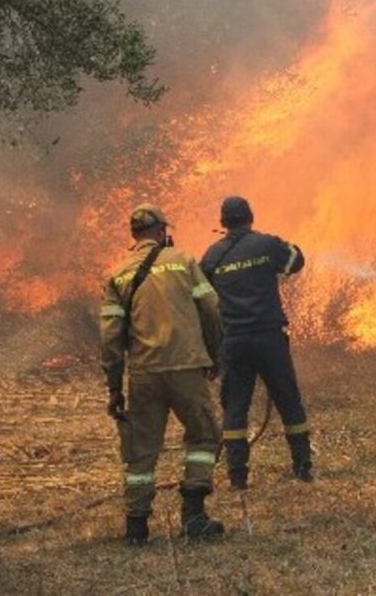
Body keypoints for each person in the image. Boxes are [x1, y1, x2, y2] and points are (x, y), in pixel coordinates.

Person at [99, 203, 225, 545]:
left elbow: (110, 338)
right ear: (160, 233)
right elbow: (211, 308)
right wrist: (215, 355)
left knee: (141, 451)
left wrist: (114, 387)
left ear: (134, 236)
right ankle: (194, 516)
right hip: (186, 366)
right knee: (203, 436)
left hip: (144, 373)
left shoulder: (118, 275)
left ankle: (136, 529)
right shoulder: (183, 261)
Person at [201, 195, 313, 489]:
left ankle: (237, 476)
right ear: (251, 217)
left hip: (234, 342)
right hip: (269, 338)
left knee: (235, 407)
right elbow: (295, 261)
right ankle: (303, 468)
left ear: (223, 223)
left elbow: (203, 300)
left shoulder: (212, 256)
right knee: (289, 400)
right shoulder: (266, 245)